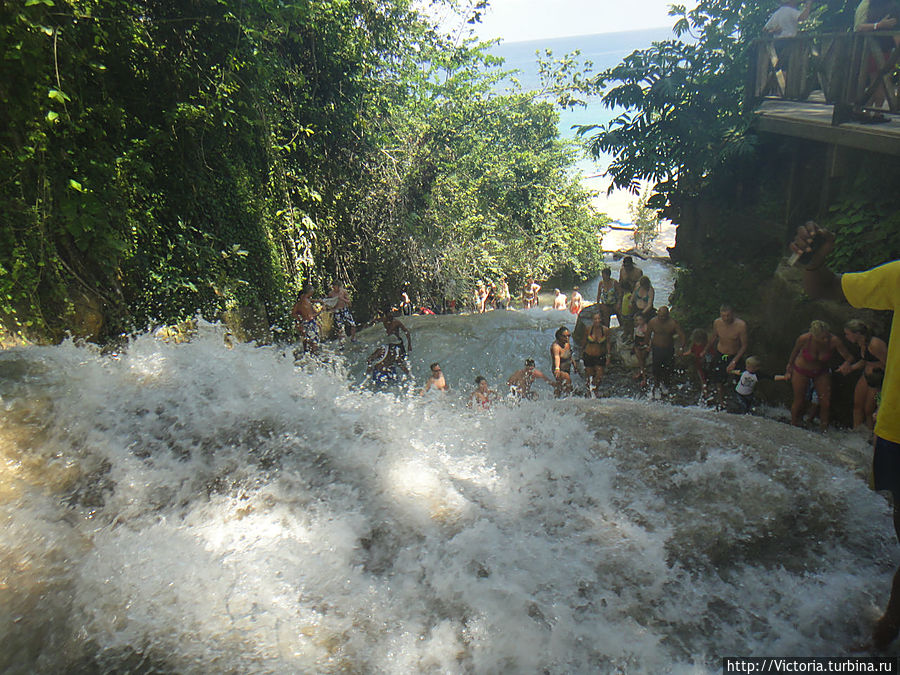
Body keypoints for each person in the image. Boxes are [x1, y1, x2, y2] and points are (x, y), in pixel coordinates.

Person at [789, 221, 899, 650]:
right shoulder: (898, 276)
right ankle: (889, 626)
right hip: (895, 432)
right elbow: (826, 288)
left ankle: (887, 627)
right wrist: (813, 261)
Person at [785, 319, 854, 430]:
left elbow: (849, 357)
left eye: (827, 336)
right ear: (814, 335)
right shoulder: (804, 338)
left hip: (821, 372)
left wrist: (846, 364)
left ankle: (824, 428)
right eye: (822, 337)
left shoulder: (834, 340)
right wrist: (789, 368)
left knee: (825, 402)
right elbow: (794, 354)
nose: (825, 339)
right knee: (799, 400)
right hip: (801, 370)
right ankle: (793, 424)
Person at [844, 319, 889, 430]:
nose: (846, 337)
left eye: (847, 334)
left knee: (869, 410)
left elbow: (889, 363)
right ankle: (856, 432)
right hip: (866, 375)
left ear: (857, 333)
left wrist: (884, 384)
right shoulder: (862, 343)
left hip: (877, 379)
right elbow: (866, 360)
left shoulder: (875, 344)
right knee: (857, 406)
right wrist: (851, 368)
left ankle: (870, 434)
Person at [706, 304, 749, 410]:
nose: (726, 318)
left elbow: (744, 346)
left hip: (735, 355)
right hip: (722, 354)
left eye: (728, 316)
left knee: (741, 379)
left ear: (733, 314)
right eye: (723, 316)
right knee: (719, 379)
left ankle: (742, 402)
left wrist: (734, 361)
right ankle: (721, 403)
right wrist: (704, 350)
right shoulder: (717, 322)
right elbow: (714, 337)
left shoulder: (741, 325)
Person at [646, 306, 686, 394]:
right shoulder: (653, 322)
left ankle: (666, 385)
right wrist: (647, 345)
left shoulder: (673, 323)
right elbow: (648, 334)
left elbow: (682, 335)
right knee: (656, 368)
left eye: (664, 316)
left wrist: (681, 348)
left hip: (668, 348)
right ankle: (656, 386)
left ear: (668, 315)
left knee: (668, 368)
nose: (662, 318)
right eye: (661, 316)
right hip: (657, 348)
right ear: (658, 314)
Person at [580, 312, 609, 398]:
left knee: (599, 376)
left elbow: (608, 343)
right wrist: (581, 353)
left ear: (601, 320)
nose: (597, 321)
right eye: (595, 319)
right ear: (592, 320)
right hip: (588, 355)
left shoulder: (605, 330)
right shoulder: (589, 329)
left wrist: (609, 356)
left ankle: (595, 390)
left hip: (600, 355)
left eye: (598, 319)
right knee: (589, 375)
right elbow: (584, 341)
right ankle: (589, 392)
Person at [291, 285, 321, 354]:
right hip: (309, 323)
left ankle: (307, 355)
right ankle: (314, 357)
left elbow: (293, 313)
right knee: (314, 342)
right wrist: (320, 312)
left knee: (306, 340)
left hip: (304, 323)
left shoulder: (299, 302)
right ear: (310, 292)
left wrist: (299, 320)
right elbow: (310, 316)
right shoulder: (306, 302)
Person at [683, 328, 711, 400]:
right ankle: (705, 393)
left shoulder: (707, 346)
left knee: (705, 379)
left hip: (705, 365)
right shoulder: (694, 345)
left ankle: (706, 393)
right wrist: (683, 354)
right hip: (698, 365)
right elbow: (690, 351)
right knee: (703, 379)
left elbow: (710, 355)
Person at [549, 325, 574, 397]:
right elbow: (557, 357)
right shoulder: (556, 346)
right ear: (559, 336)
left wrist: (574, 363)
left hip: (567, 367)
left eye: (569, 336)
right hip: (559, 369)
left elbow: (569, 354)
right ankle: (568, 398)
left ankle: (556, 398)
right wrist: (557, 368)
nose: (567, 338)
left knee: (559, 386)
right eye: (564, 336)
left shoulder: (567, 344)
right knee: (568, 383)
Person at [632, 312, 651, 388]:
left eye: (640, 320)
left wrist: (648, 346)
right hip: (637, 345)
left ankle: (644, 378)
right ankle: (641, 372)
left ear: (644, 320)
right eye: (637, 320)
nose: (639, 321)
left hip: (643, 345)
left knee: (642, 361)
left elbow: (649, 338)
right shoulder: (637, 327)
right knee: (640, 361)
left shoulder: (646, 328)